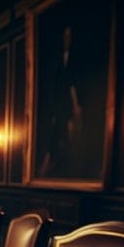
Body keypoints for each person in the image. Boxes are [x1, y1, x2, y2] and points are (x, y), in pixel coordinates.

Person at [39, 25, 83, 177]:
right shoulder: (56, 60)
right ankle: (49, 162)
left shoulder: (76, 59)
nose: (67, 39)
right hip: (58, 105)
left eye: (69, 36)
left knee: (69, 135)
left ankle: (63, 166)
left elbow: (74, 83)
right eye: (65, 36)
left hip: (68, 105)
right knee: (57, 134)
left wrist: (76, 105)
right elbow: (57, 84)